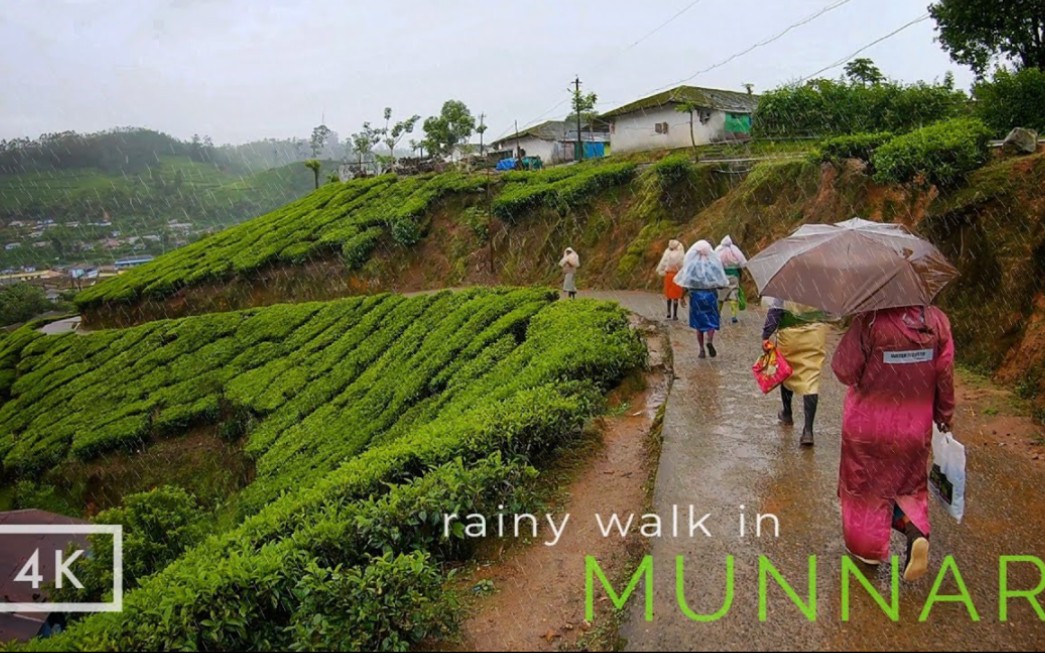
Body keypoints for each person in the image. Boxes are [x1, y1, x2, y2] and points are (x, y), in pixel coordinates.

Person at [831, 305, 954, 582]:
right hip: (914, 426)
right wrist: (944, 415)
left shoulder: (871, 321)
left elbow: (843, 370)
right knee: (908, 486)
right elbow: (945, 376)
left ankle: (869, 551)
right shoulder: (937, 321)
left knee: (866, 489)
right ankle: (915, 532)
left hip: (868, 427)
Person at [762, 297, 829, 446]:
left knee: (787, 372)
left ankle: (787, 413)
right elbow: (830, 312)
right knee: (811, 379)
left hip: (790, 335)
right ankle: (808, 431)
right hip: (815, 334)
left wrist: (766, 335)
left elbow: (776, 310)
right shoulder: (823, 281)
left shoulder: (787, 279)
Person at [674, 240, 729, 359]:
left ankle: (701, 349)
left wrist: (682, 296)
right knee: (711, 321)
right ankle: (709, 340)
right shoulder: (713, 264)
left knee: (699, 324)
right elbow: (720, 282)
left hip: (696, 296)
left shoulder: (692, 265)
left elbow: (687, 282)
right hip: (710, 295)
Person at [715, 235, 747, 324]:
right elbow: (742, 263)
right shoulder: (734, 250)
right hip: (734, 275)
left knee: (721, 296)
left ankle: (717, 314)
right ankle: (733, 315)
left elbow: (715, 264)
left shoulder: (718, 250)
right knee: (733, 295)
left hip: (723, 276)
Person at [656, 239, 686, 321]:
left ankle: (668, 312)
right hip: (676, 276)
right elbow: (682, 265)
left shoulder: (667, 253)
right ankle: (675, 314)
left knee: (669, 294)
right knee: (675, 295)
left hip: (668, 275)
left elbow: (663, 264)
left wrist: (662, 271)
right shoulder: (680, 254)